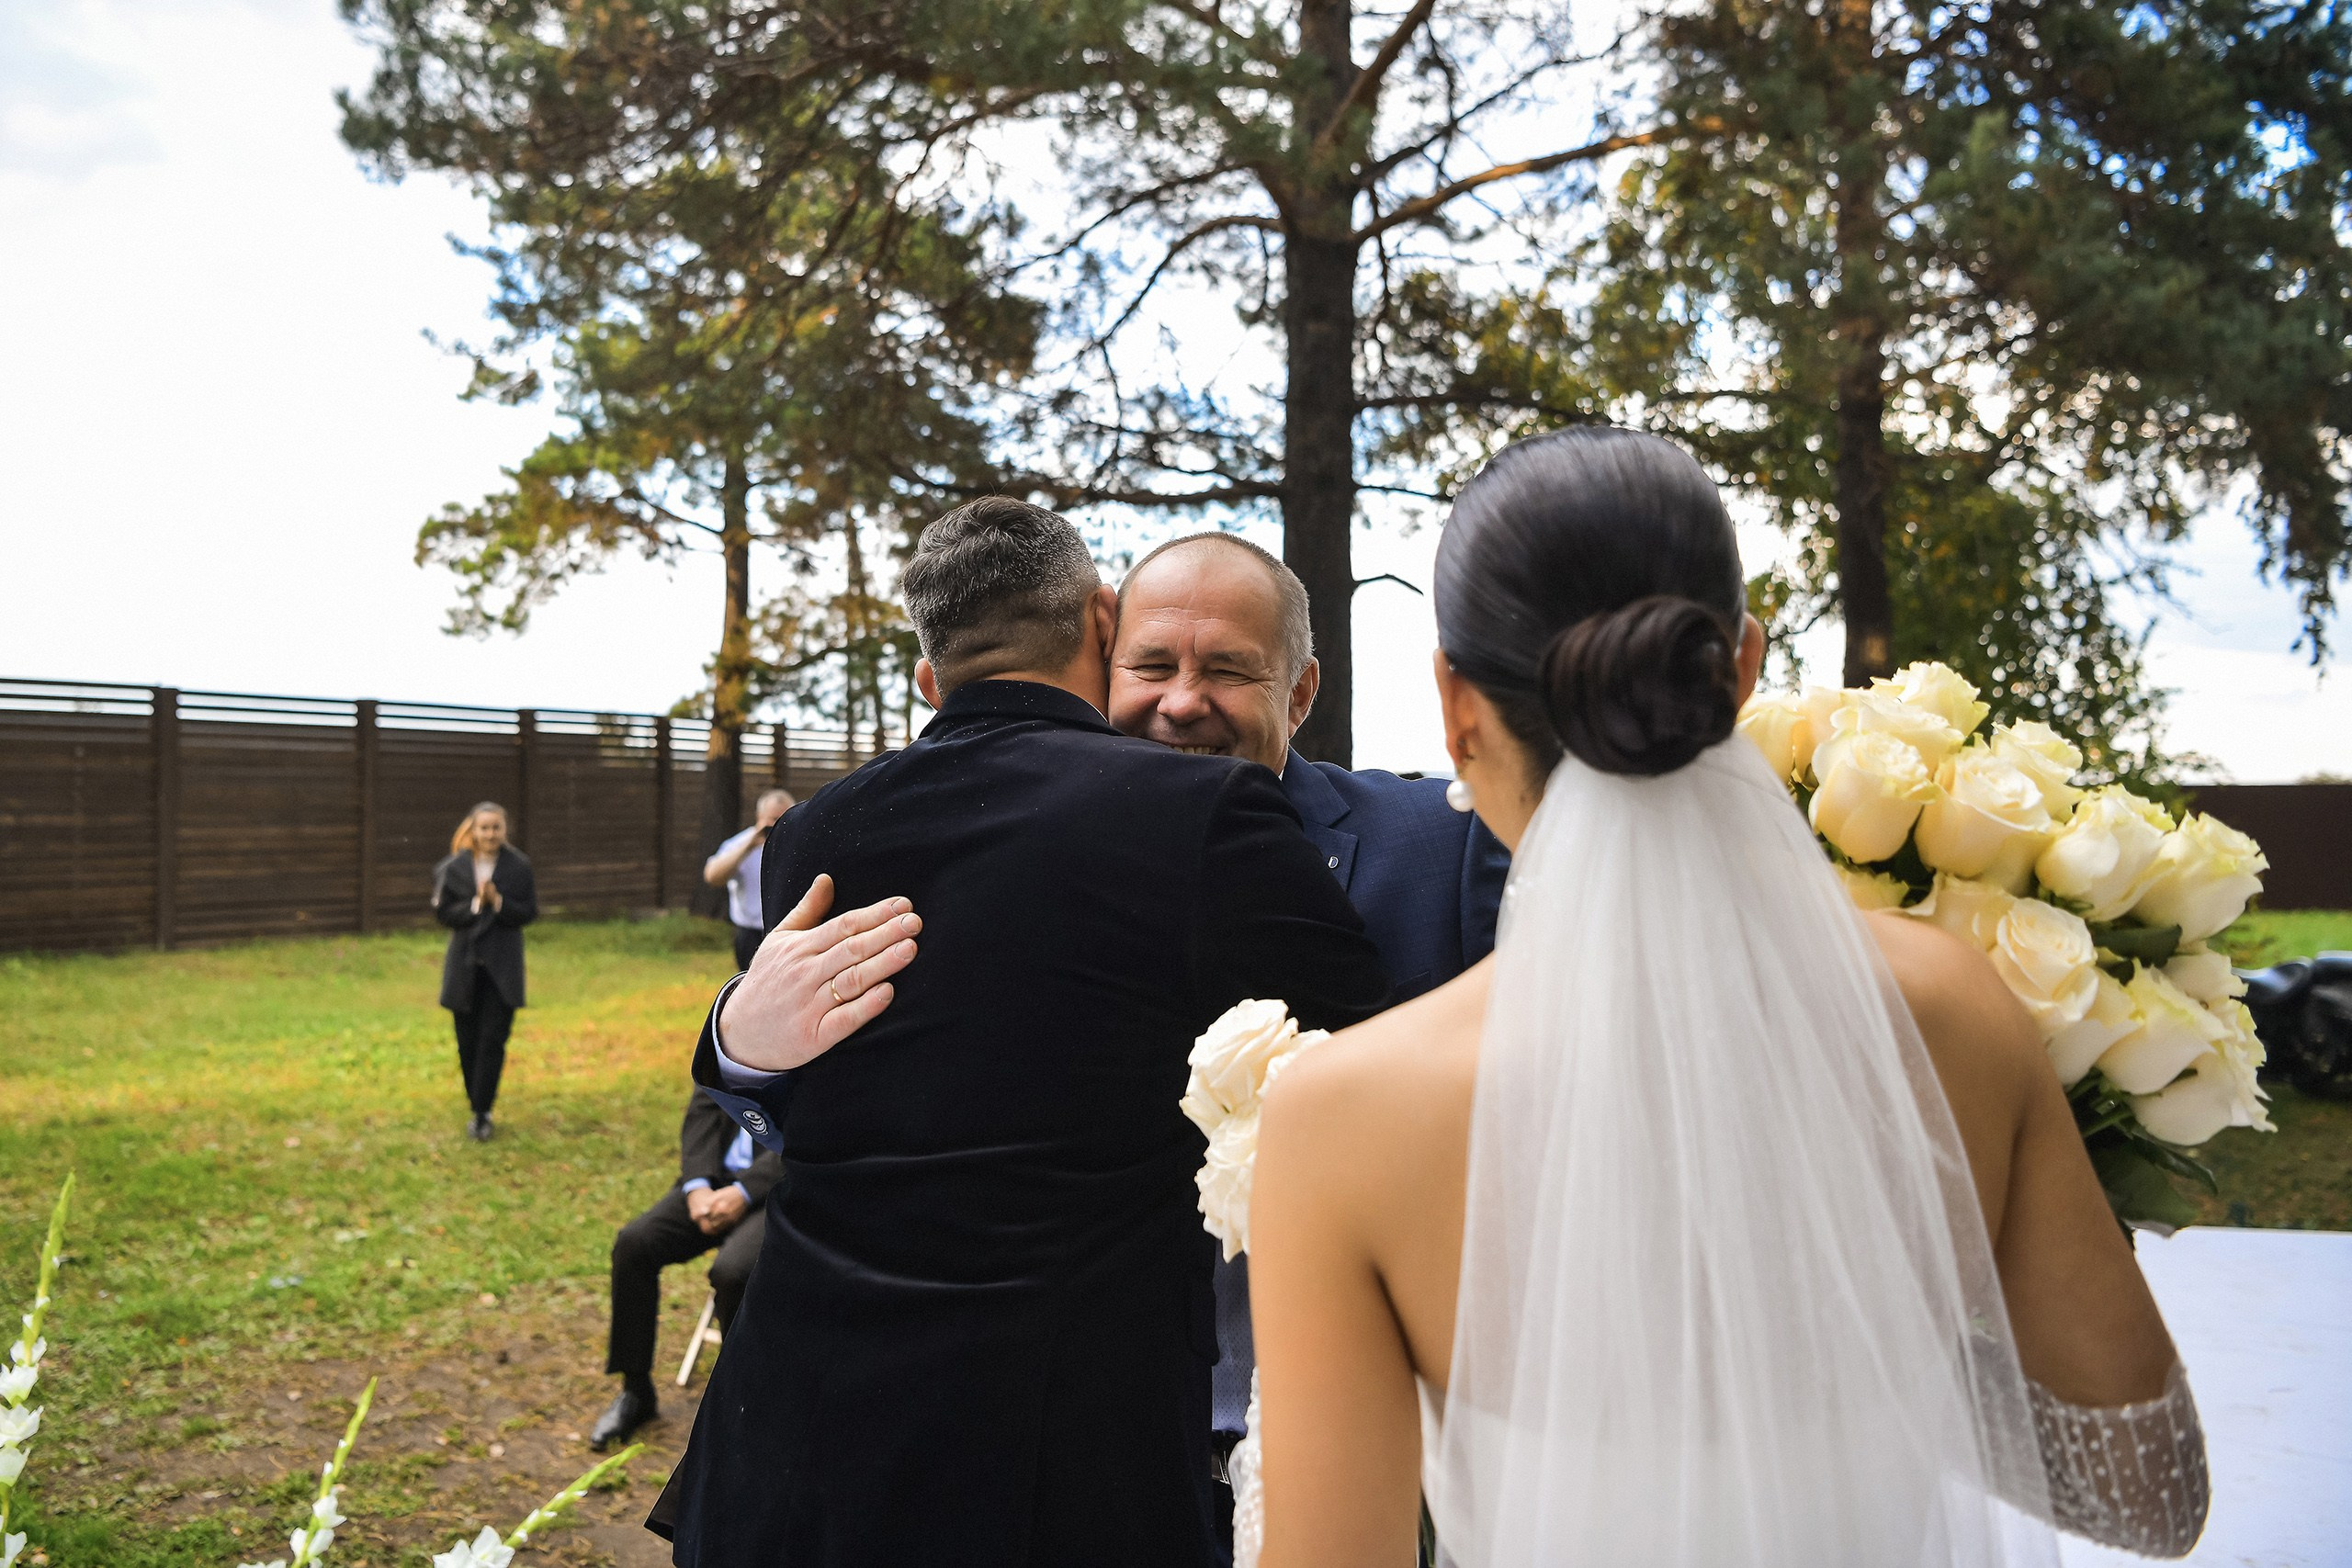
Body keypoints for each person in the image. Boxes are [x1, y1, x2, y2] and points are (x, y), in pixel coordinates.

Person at [1244, 427, 2209, 1565]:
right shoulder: (1948, 1000)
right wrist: (1870, 1325)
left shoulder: (1341, 1121)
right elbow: (2151, 1497)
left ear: (1456, 706)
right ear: (1738, 666)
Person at [650, 496, 1392, 1567]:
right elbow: (1365, 1048)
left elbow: (825, 1084)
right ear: (1101, 620)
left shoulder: (814, 832)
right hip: (1054, 1454)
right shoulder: (1201, 815)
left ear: (927, 677)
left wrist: (734, 1042)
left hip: (797, 1425)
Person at [1107, 531, 1510, 1540]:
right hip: (1107, 1443)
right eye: (1151, 665)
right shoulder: (1036, 867)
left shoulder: (1441, 845)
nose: (1182, 700)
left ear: (1299, 692)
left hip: (1380, 1453)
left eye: (1229, 669)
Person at [588, 1087, 786, 1451]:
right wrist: (697, 1187)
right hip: (711, 1182)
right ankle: (636, 1392)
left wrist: (743, 1192)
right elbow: (703, 1107)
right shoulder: (727, 1030)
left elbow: (812, 1132)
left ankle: (744, 1407)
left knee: (733, 1273)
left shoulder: (816, 1039)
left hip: (777, 1189)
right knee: (634, 1244)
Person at [433, 802, 537, 1142]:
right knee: (467, 1041)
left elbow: (528, 913)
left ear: (504, 830)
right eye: (484, 828)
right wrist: (478, 903)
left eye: (496, 828)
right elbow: (445, 914)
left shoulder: (518, 866)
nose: (490, 834)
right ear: (473, 831)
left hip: (502, 969)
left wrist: (499, 902)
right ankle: (475, 1100)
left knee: (493, 1040)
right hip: (464, 967)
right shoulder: (455, 868)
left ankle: (482, 1111)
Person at [705, 789, 795, 970]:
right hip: (751, 935)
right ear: (759, 817)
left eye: (785, 818)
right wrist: (749, 846)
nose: (778, 825)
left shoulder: (799, 841)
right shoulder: (741, 843)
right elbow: (712, 876)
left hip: (790, 931)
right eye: (772, 820)